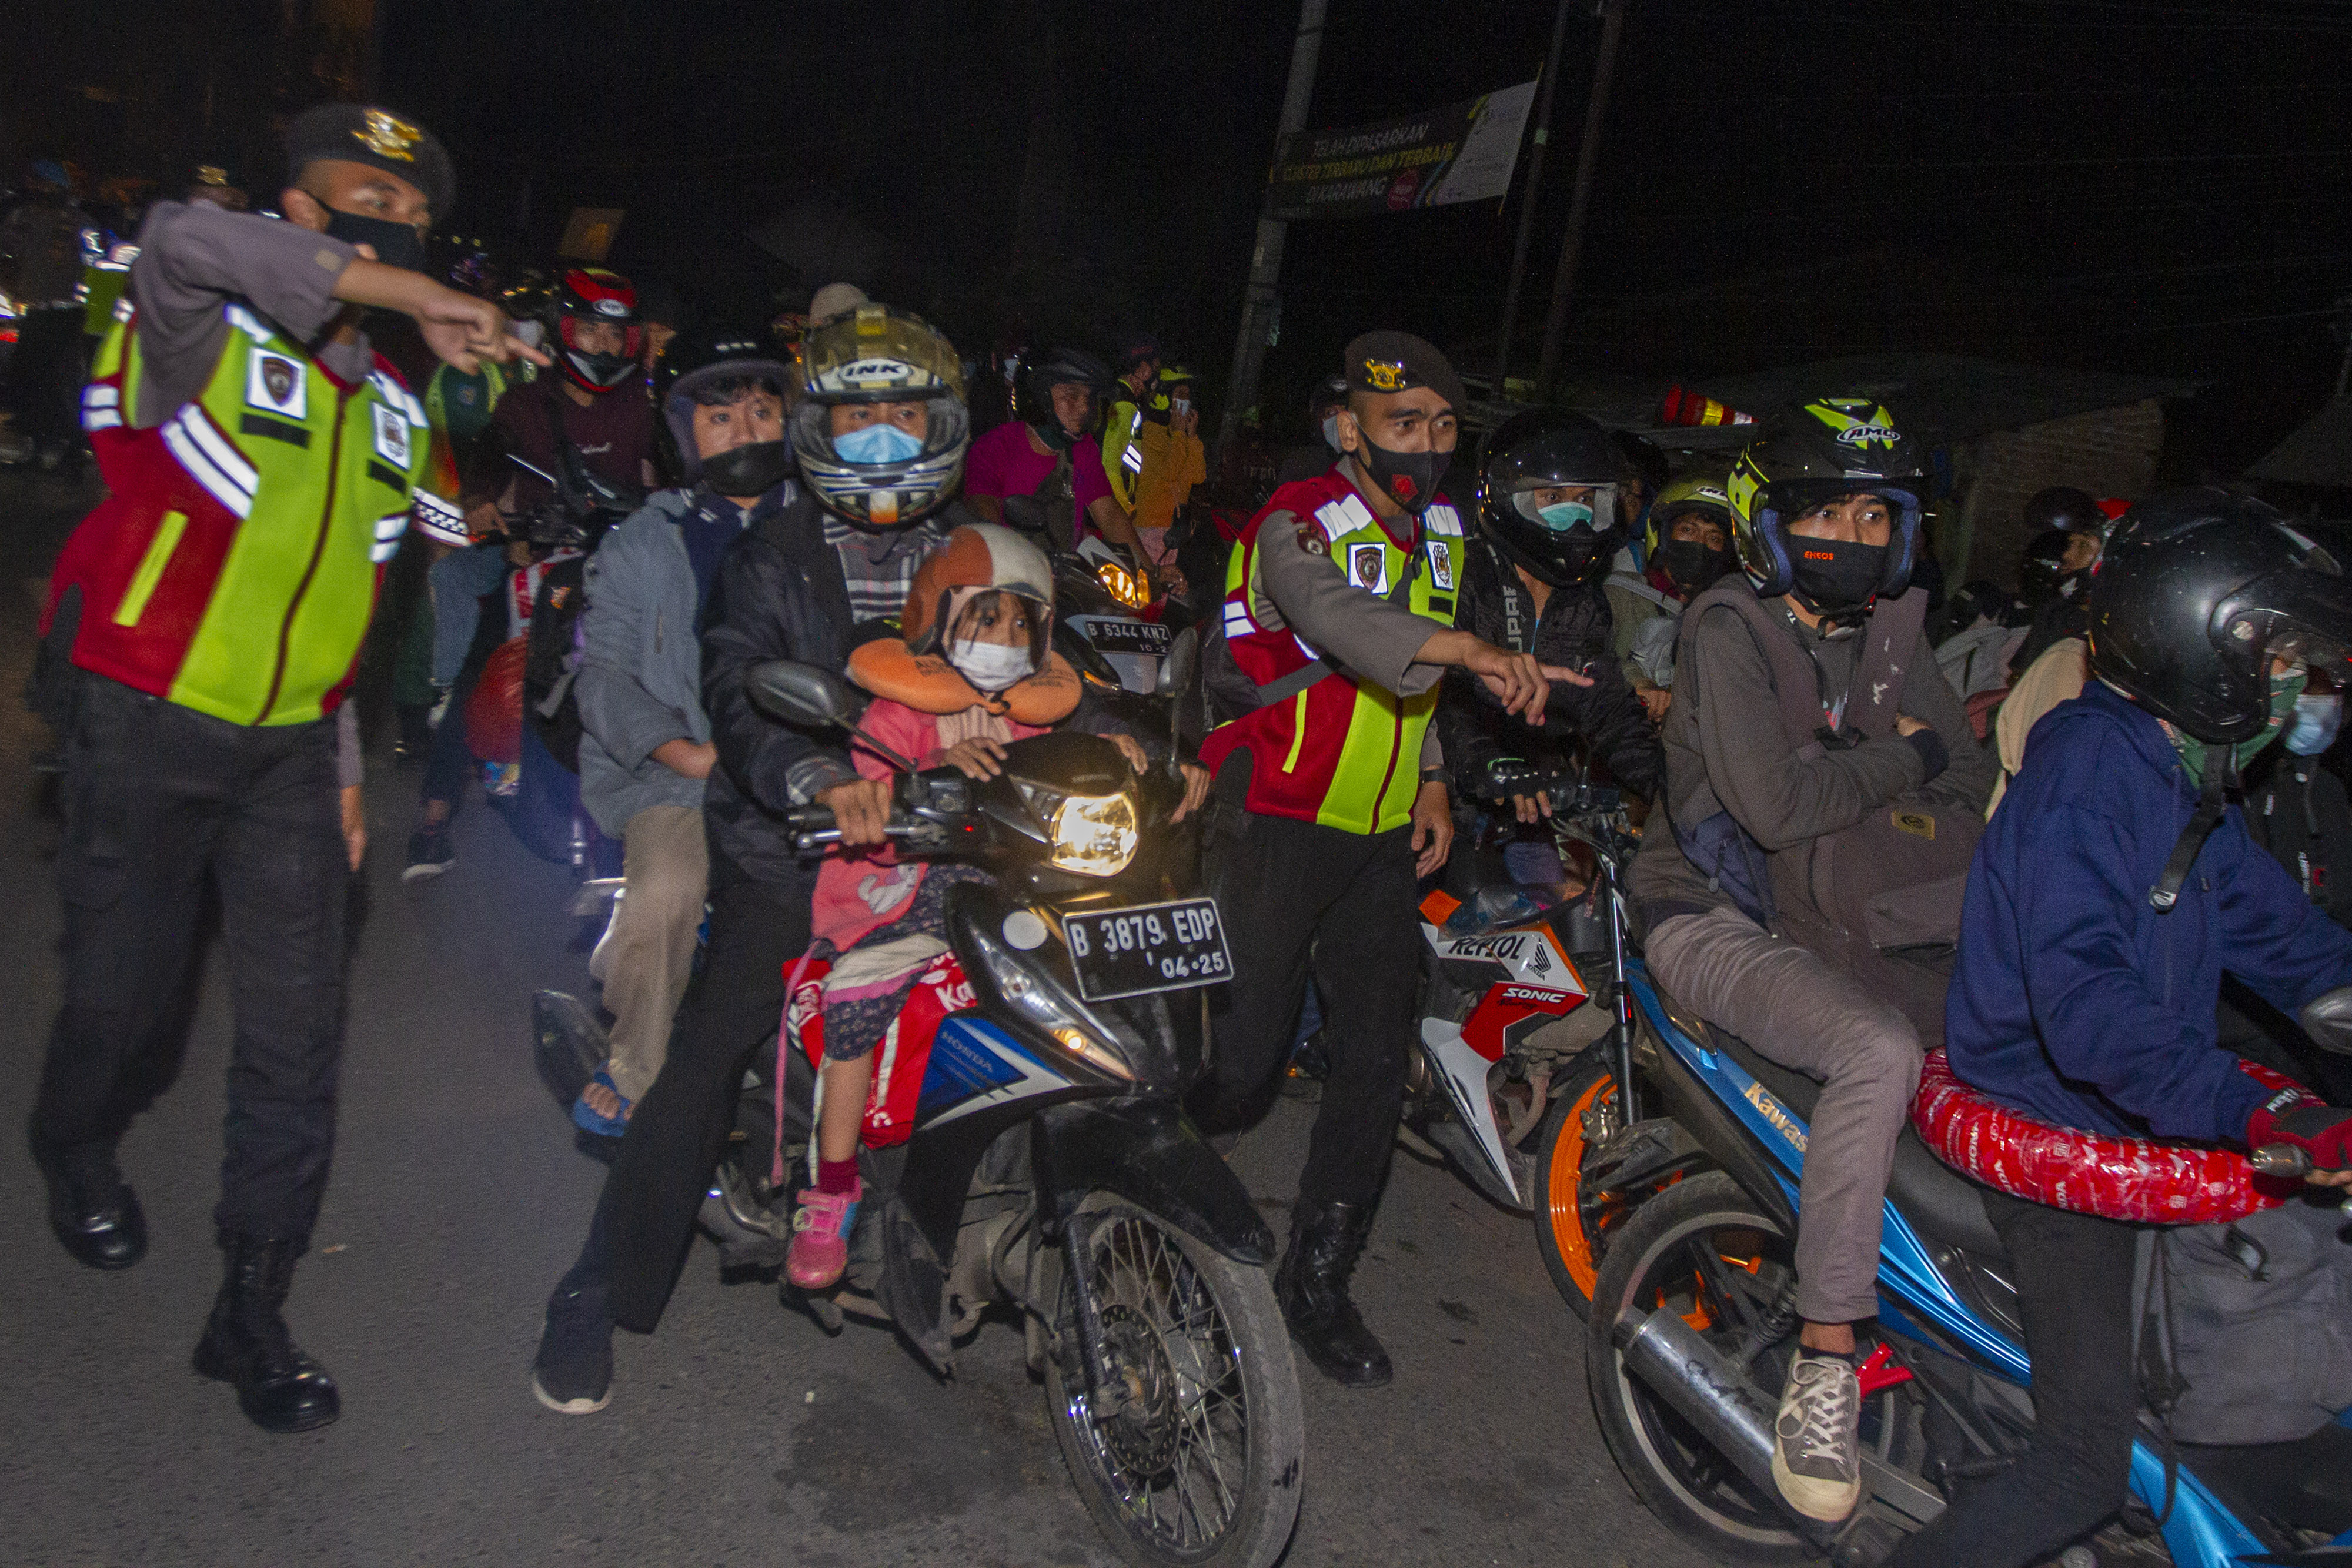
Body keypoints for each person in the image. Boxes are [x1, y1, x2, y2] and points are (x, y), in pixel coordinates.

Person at [30, 103, 540, 1432]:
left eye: (417, 210)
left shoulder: (391, 413)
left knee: (298, 1038)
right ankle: (69, 1138)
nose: (399, 218)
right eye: (369, 194)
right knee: (123, 1003)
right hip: (144, 719)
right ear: (302, 213)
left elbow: (354, 602)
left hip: (293, 760)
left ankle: (249, 1309)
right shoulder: (198, 325)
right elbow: (176, 239)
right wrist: (414, 290)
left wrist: (347, 764)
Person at [529, 302, 975, 1415]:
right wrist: (813, 776)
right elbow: (739, 686)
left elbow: (1044, 637)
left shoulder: (970, 540)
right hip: (793, 844)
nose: (883, 435)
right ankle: (595, 1289)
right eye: (859, 416)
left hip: (952, 830)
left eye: (904, 412)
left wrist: (1122, 736)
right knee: (710, 1046)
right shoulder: (769, 553)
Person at [1895, 490, 2352, 1568]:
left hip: (2124, 1109)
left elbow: (2284, 938)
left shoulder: (2179, 768)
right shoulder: (2089, 775)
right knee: (2082, 1466)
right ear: (2199, 642)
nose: (2303, 683)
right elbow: (2091, 1016)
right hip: (2055, 1127)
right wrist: (2262, 1106)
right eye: (2282, 655)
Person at [1626, 397, 1996, 1522]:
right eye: (1827, 513)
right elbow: (1779, 808)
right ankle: (1825, 1359)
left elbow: (1970, 776)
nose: (1853, 537)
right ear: (1772, 521)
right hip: (1710, 914)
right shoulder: (1730, 626)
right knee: (1876, 1051)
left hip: (1849, 917)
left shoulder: (1892, 633)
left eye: (1874, 517)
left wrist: (1876, 765)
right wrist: (1898, 759)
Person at [1195, 330, 1582, 1388]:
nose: (1426, 444)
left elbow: (1417, 689)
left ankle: (1318, 1279)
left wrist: (1434, 777)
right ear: (1347, 429)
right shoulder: (1298, 519)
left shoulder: (1444, 530)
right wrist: (1471, 651)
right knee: (1243, 1061)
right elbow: (1344, 621)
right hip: (1275, 817)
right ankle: (1154, 1181)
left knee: (1373, 1059)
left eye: (1444, 425)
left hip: (1377, 838)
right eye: (1403, 423)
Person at [783, 524, 1208, 1285]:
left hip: (1017, 888)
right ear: (938, 619)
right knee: (857, 1001)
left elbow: (1091, 725)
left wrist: (1142, 752)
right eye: (985, 619)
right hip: (909, 891)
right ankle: (833, 1185)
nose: (1004, 639)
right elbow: (868, 790)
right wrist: (924, 772)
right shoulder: (899, 711)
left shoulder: (1033, 704)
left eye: (1020, 624)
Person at [567, 325, 802, 1135]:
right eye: (720, 418)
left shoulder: (825, 526)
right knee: (666, 895)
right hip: (689, 774)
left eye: (762, 412)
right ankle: (635, 1062)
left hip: (808, 766)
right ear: (685, 434)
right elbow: (603, 673)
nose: (744, 432)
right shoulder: (645, 541)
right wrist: (685, 752)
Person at [406, 265, 657, 878]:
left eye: (615, 334)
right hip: (538, 556)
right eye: (591, 330)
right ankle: (433, 819)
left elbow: (668, 476)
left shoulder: (640, 407)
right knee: (479, 674)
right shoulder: (525, 404)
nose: (603, 346)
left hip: (619, 568)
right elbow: (488, 468)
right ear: (563, 331)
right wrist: (486, 507)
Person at [1437, 409, 1664, 849]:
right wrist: (1486, 759)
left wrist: (1674, 788)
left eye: (1585, 498)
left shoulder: (1585, 600)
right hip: (1444, 801)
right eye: (1553, 496)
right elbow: (1445, 691)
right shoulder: (1466, 573)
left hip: (1536, 805)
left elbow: (1607, 707)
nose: (1574, 513)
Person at [963, 344, 1150, 569]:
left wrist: (1150, 571)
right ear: (1040, 395)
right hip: (1011, 572)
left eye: (1089, 398)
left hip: (1064, 576)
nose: (1084, 408)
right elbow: (983, 515)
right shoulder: (995, 447)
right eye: (1071, 396)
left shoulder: (1083, 449)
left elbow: (1109, 513)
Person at [1603, 472, 1738, 721]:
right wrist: (1637, 682)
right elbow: (1590, 658)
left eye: (1714, 537)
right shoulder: (1619, 594)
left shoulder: (1729, 613)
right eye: (1688, 530)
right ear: (1663, 535)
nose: (1700, 543)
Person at [1, 159, 96, 468]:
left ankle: (71, 449)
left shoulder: (78, 222)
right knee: (30, 380)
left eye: (43, 182)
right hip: (35, 311)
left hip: (67, 313)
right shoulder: (21, 217)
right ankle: (36, 443)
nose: (37, 187)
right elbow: (8, 255)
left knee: (63, 383)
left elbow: (96, 264)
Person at [1130, 363, 1207, 573]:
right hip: (1150, 527)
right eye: (1180, 397)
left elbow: (1198, 476)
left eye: (1187, 398)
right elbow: (1169, 473)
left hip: (1174, 530)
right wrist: (1180, 434)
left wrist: (1192, 437)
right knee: (1145, 584)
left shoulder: (1180, 437)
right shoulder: (1149, 432)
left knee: (1166, 588)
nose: (1185, 404)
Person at [1100, 332, 1161, 515]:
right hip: (1111, 506)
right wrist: (1122, 512)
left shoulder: (1119, 396)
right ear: (1142, 369)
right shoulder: (1125, 404)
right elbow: (1110, 464)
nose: (1157, 375)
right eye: (1155, 367)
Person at [1274, 373, 1348, 487]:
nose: (1338, 419)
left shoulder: (1367, 465)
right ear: (1318, 418)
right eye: (1330, 413)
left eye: (1345, 412)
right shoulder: (1298, 465)